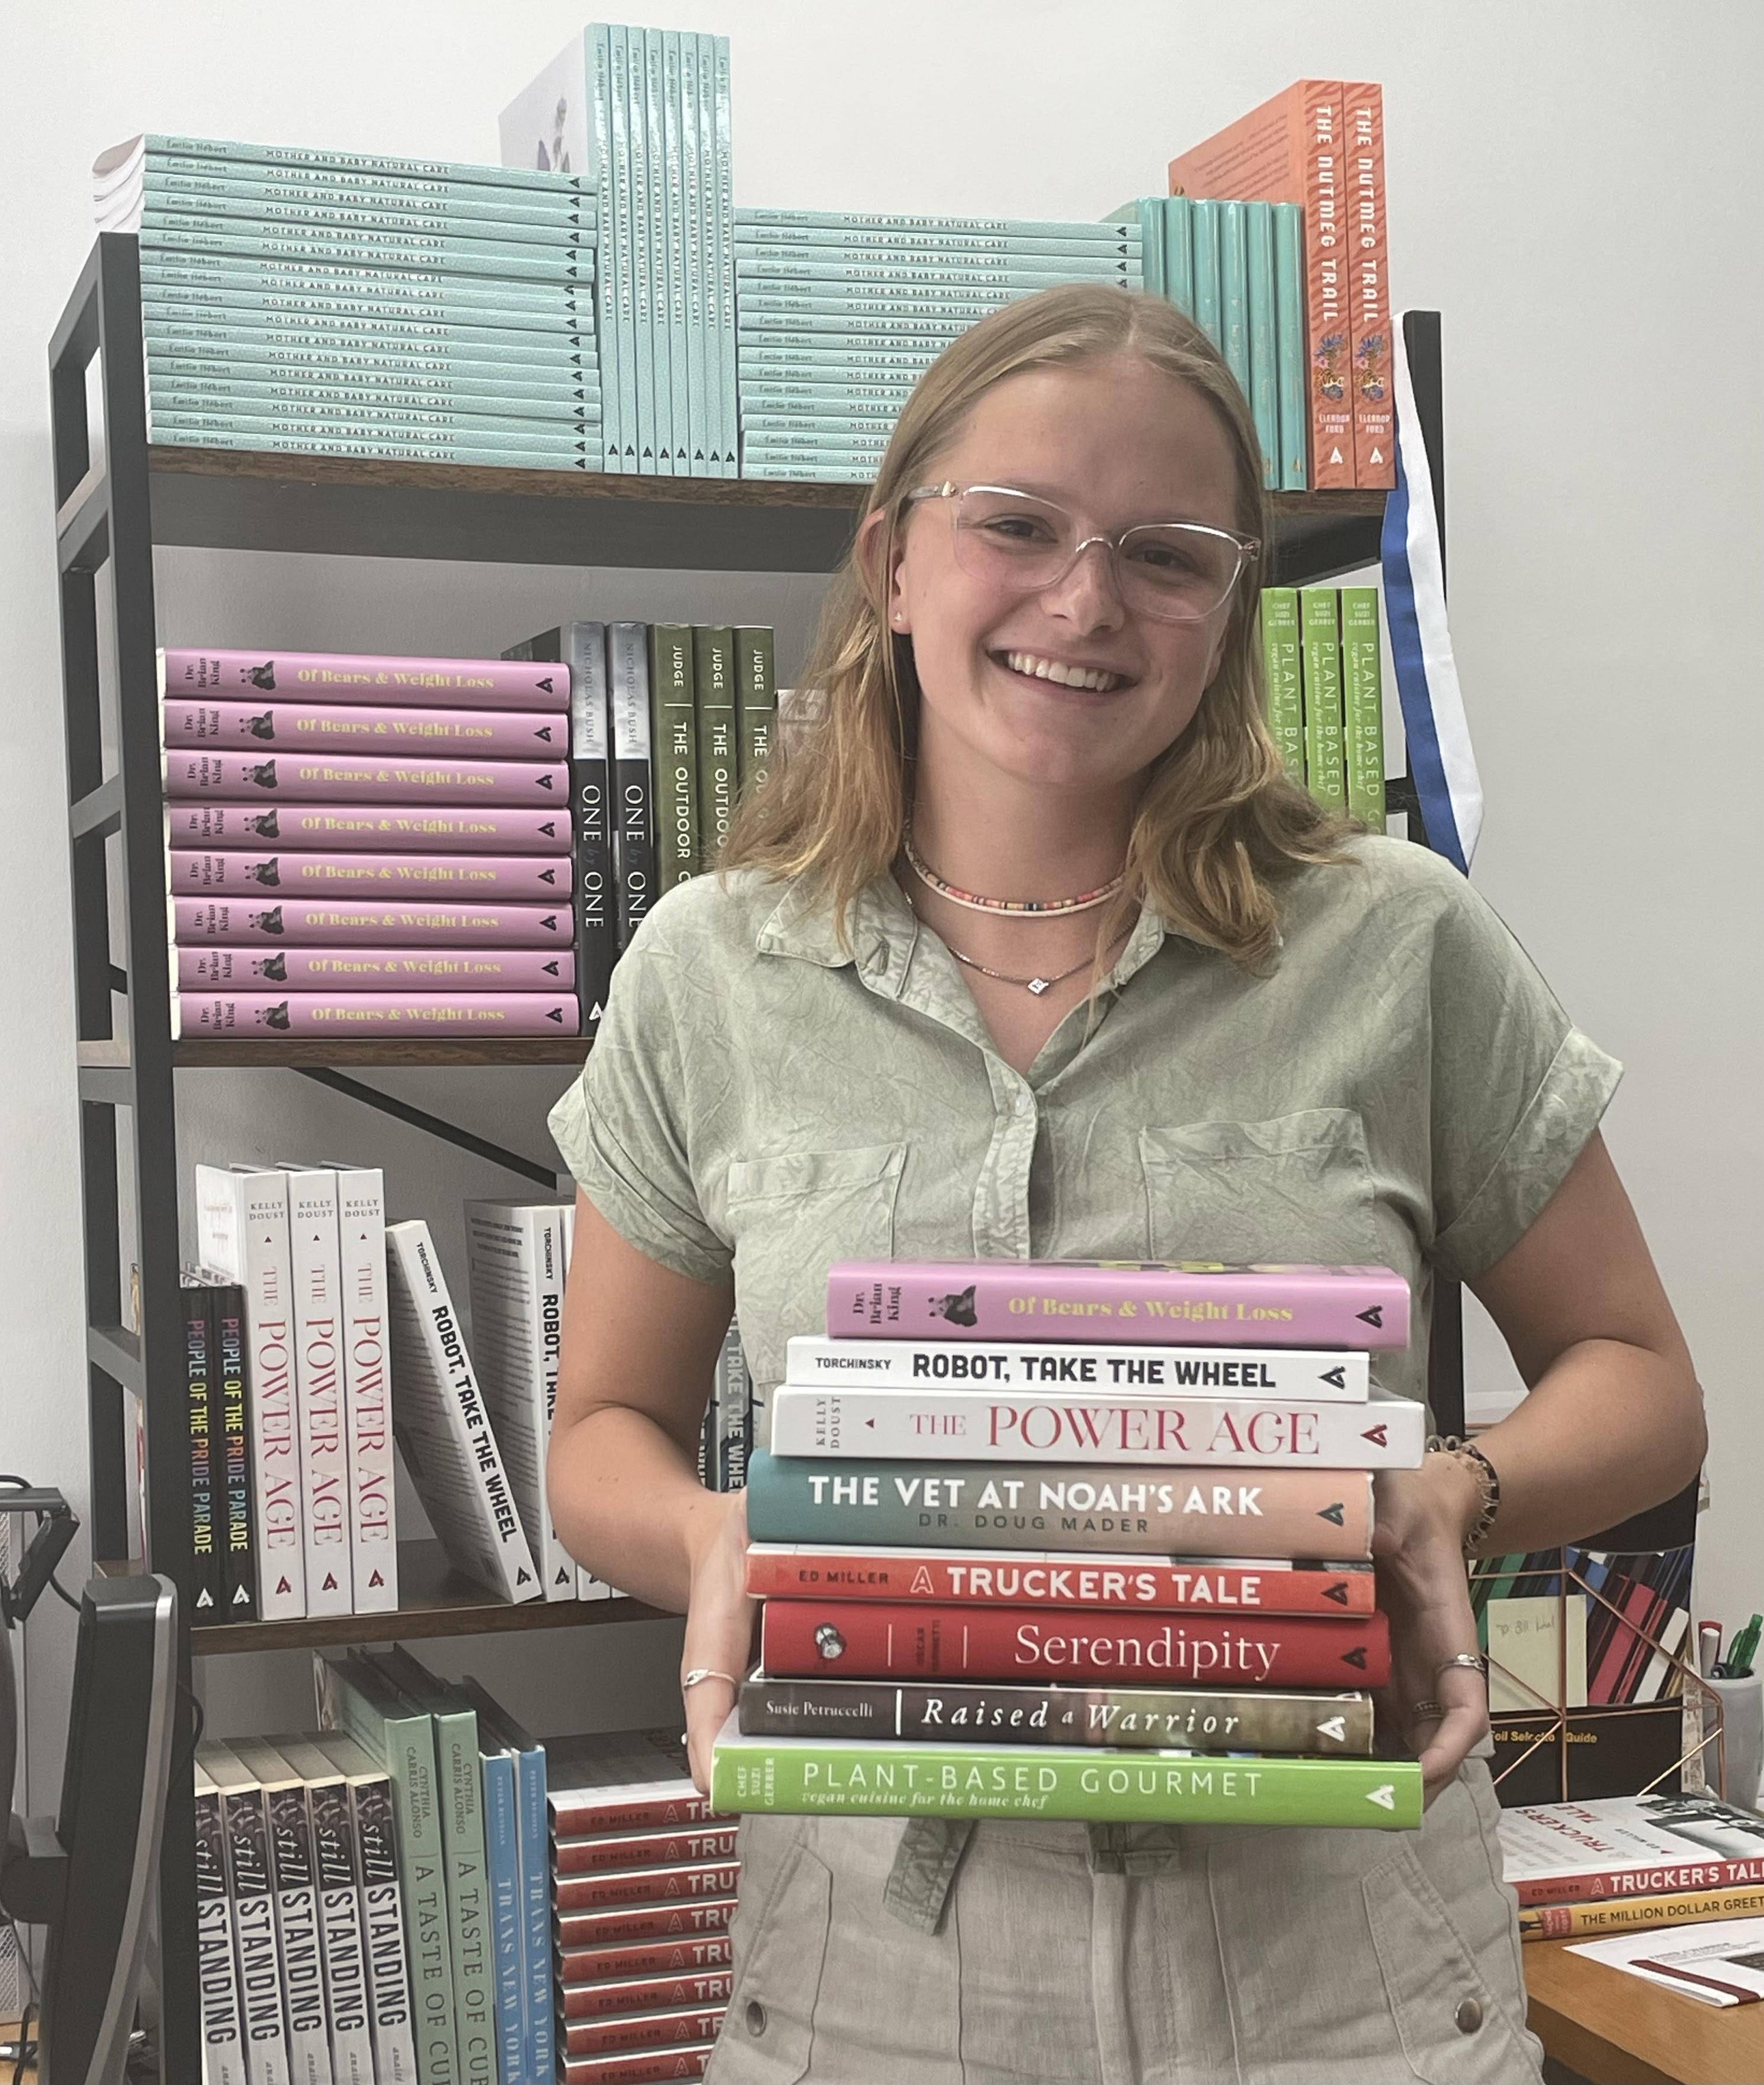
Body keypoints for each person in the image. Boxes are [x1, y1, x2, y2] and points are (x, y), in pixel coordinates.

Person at [545, 283, 1703, 2085]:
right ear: (894, 560)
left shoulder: (1401, 943)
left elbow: (1646, 1384)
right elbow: (601, 1424)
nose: (1085, 602)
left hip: (1350, 1979)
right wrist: (715, 1538)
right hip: (877, 1984)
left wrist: (1440, 1497)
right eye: (1015, 525)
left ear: (1229, 611)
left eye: (1166, 554)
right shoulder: (709, 970)